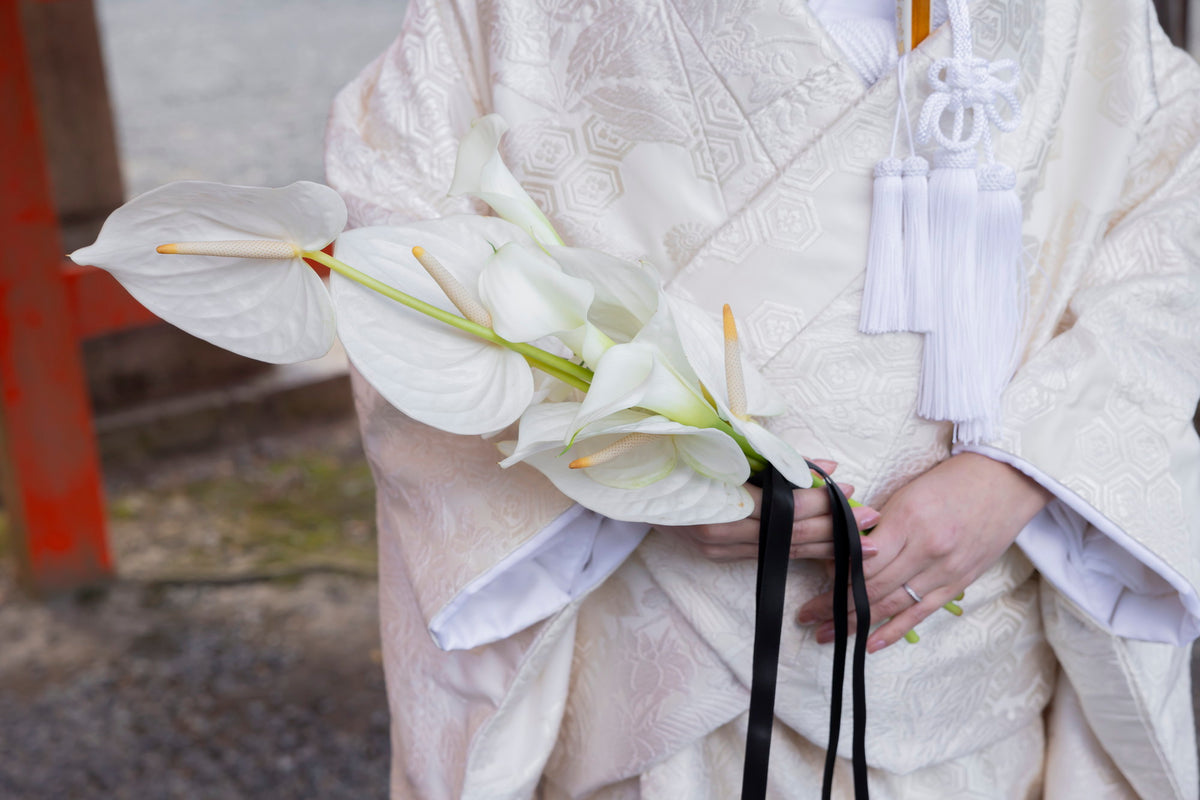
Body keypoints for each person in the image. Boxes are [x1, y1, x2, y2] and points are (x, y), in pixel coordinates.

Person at [324, 0, 1200, 797]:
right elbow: (397, 215)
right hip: (655, 651)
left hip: (971, 659)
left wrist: (1021, 470)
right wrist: (636, 462)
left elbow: (1172, 205)